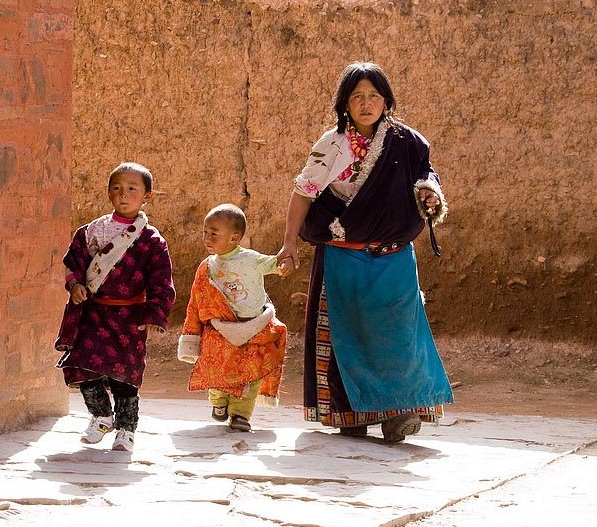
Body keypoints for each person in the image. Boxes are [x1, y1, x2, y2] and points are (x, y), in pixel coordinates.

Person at [276, 61, 453, 443]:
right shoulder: (331, 145)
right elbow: (303, 193)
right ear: (345, 104)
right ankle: (349, 413)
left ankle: (400, 414)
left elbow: (426, 175)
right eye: (357, 96)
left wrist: (428, 195)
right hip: (344, 257)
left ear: (386, 100)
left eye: (374, 95)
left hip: (393, 258)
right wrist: (289, 243)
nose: (366, 103)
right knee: (345, 337)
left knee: (397, 335)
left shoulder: (407, 143)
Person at [54, 162, 176, 452]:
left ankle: (126, 429)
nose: (124, 194)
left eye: (132, 189)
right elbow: (73, 264)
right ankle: (100, 416)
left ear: (147, 196)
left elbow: (161, 280)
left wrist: (154, 313)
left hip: (128, 318)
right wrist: (75, 287)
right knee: (83, 365)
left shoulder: (152, 241)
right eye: (117, 188)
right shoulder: (91, 231)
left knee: (125, 374)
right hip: (92, 313)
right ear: (108, 193)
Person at [177, 203, 288, 433]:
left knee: (251, 372)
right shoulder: (206, 267)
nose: (207, 238)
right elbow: (196, 302)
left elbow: (274, 264)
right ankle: (218, 402)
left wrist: (285, 263)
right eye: (205, 232)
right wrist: (191, 336)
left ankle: (240, 415)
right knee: (217, 366)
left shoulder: (251, 259)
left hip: (254, 327)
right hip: (219, 329)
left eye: (214, 233)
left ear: (234, 237)